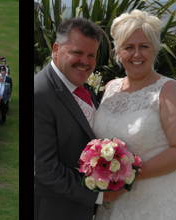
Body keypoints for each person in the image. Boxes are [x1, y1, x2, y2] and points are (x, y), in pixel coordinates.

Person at [90, 10, 176, 219]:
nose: (137, 54)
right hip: (110, 201)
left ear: (155, 49)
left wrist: (125, 177)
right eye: (129, 47)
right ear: (118, 52)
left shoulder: (169, 90)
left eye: (144, 47)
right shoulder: (110, 88)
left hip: (154, 200)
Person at [34, 17, 126, 220]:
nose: (85, 61)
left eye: (91, 55)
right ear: (56, 49)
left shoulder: (82, 87)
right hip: (55, 210)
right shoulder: (39, 95)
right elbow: (45, 168)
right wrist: (98, 194)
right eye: (77, 52)